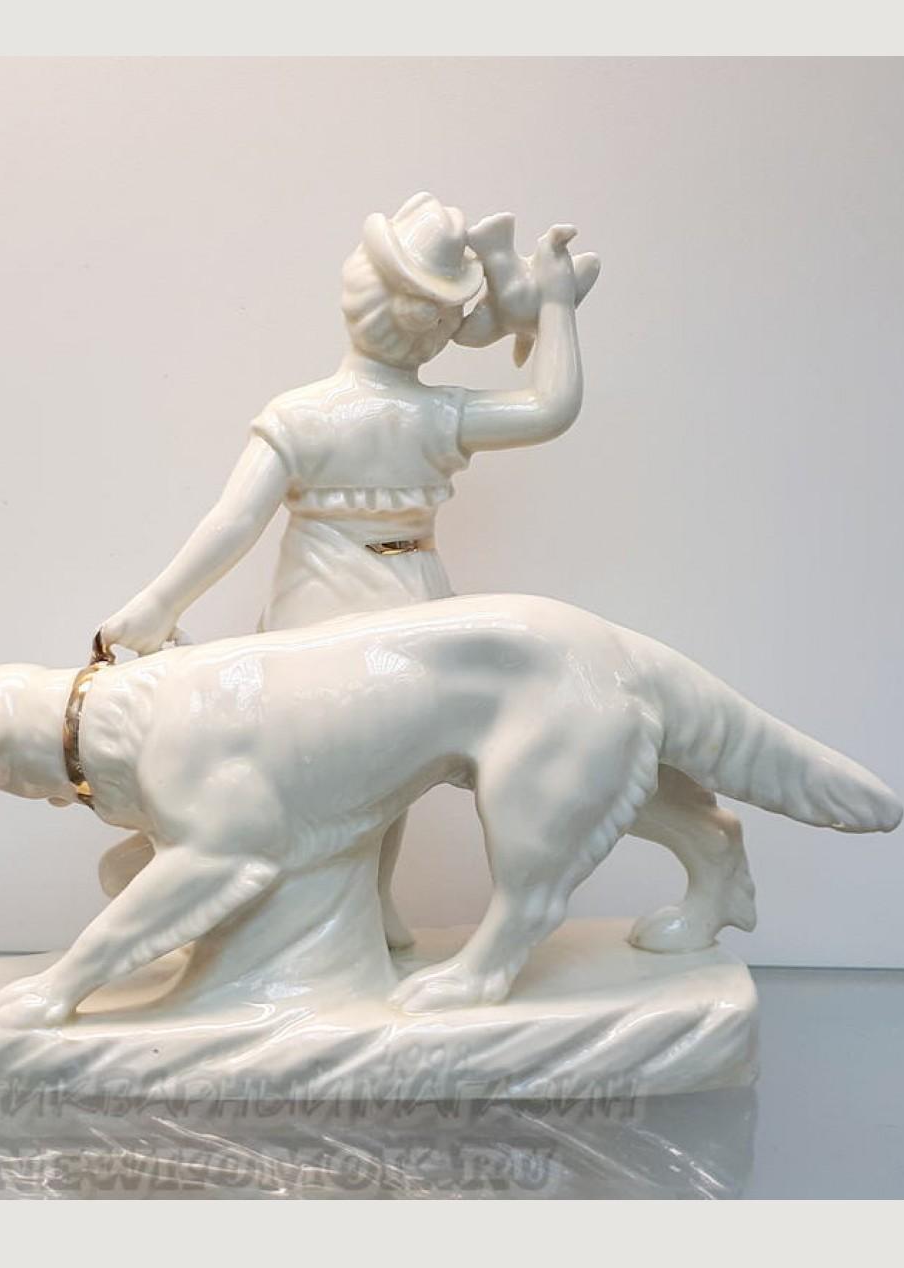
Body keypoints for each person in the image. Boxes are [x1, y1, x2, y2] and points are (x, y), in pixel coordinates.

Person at [95, 193, 598, 948]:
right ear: (441, 328)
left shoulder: (301, 414)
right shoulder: (438, 415)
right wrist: (555, 307)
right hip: (412, 603)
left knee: (307, 764)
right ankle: (358, 909)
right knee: (387, 769)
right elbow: (550, 407)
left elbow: (233, 523)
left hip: (318, 608)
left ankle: (338, 909)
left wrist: (159, 604)